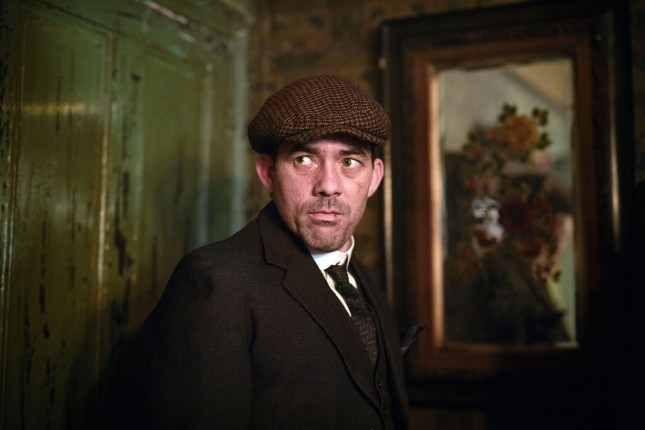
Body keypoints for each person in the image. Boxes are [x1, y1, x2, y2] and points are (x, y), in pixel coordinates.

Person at [141, 75, 410, 429]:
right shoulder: (215, 281)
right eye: (304, 160)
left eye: (349, 162)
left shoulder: (360, 279)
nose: (329, 185)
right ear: (268, 174)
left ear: (374, 178)